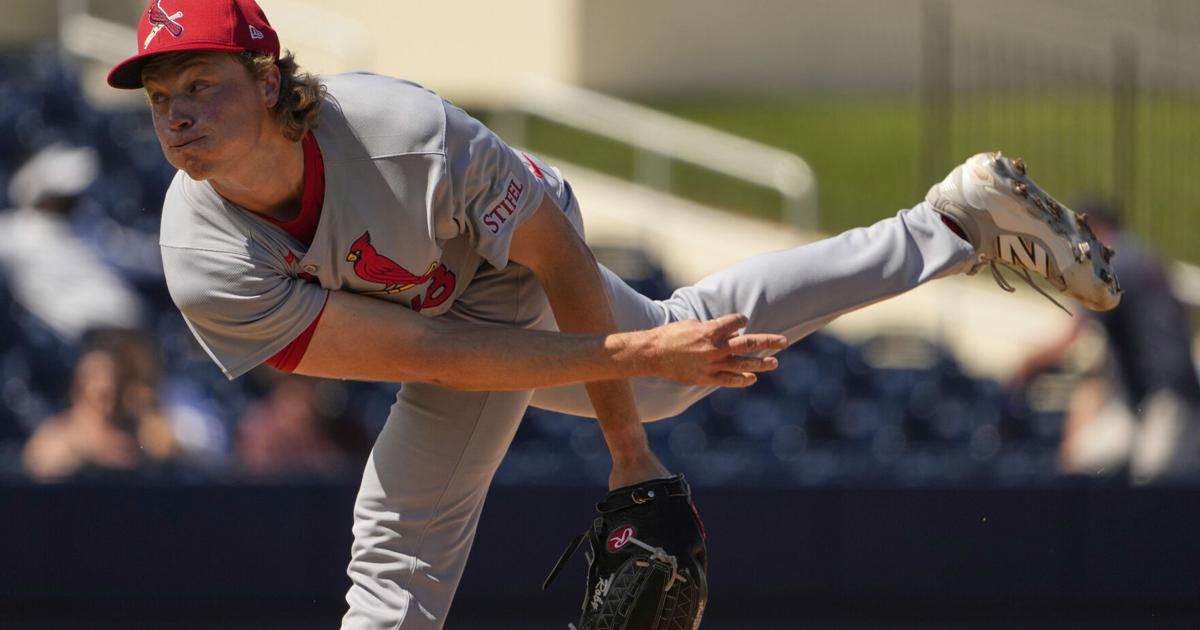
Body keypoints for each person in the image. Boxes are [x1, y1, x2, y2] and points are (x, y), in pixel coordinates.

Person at [105, 1, 1120, 627]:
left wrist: (628, 449)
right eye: (160, 98)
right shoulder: (200, 254)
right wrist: (641, 369)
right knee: (410, 525)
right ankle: (951, 222)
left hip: (515, 254)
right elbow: (425, 352)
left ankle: (946, 227)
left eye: (203, 83)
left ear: (271, 80)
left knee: (625, 406)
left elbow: (551, 259)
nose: (181, 113)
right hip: (435, 315)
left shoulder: (403, 135)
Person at [1013, 199, 1199, 484]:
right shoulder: (1139, 255)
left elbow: (1071, 336)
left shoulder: (1115, 260)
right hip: (1138, 395)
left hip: (1167, 395)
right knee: (1092, 460)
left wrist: (1026, 366)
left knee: (1155, 485)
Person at [0, 143, 143, 342]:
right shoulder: (14, 231)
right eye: (63, 196)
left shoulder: (90, 225)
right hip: (76, 338)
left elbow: (140, 255)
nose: (72, 200)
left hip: (129, 328)